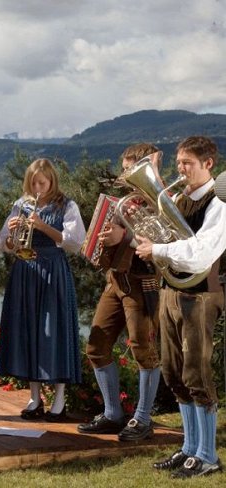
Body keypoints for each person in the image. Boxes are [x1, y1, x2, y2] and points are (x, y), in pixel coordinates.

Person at [135, 136, 226, 478]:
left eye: (188, 163)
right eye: (179, 162)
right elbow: (157, 239)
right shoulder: (175, 198)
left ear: (209, 165)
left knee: (196, 373)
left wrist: (158, 251)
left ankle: (208, 455)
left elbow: (202, 252)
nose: (181, 169)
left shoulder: (220, 204)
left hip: (202, 293)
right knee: (173, 372)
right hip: (171, 290)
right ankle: (189, 448)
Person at [77, 144, 162, 441]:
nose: (125, 176)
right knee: (96, 347)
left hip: (142, 284)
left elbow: (163, 235)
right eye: (125, 169)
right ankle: (113, 414)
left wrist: (122, 236)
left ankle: (142, 418)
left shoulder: (160, 198)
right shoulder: (123, 201)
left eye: (131, 170)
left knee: (145, 352)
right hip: (115, 281)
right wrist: (99, 241)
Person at [0, 158, 86, 421]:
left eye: (43, 182)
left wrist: (42, 226)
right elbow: (6, 245)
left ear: (52, 181)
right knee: (29, 331)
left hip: (52, 271)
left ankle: (59, 400)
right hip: (25, 271)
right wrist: (13, 234)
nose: (38, 187)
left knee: (53, 331)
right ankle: (34, 398)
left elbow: (74, 243)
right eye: (34, 182)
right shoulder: (19, 204)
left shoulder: (67, 205)